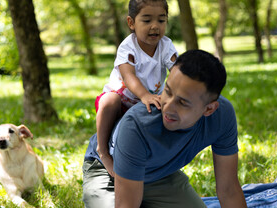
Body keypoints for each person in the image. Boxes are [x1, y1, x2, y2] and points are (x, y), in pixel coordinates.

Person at [83, 50, 247, 208]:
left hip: (158, 175)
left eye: (182, 102)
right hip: (107, 170)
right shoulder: (137, 125)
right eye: (167, 91)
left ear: (209, 109)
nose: (168, 106)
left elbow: (229, 190)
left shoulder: (222, 116)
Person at [95, 0, 177, 177]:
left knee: (165, 107)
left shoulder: (166, 45)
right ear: (131, 22)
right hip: (122, 101)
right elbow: (128, 76)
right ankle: (103, 151)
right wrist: (145, 95)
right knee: (109, 101)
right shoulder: (128, 46)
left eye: (161, 20)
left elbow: (177, 69)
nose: (155, 26)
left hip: (146, 101)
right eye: (147, 20)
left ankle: (159, 159)